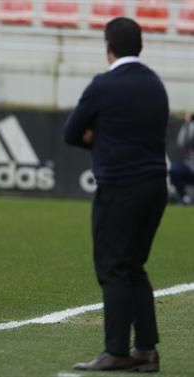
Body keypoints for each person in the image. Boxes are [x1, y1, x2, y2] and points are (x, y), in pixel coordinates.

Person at [63, 17, 168, 373]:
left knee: (113, 268)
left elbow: (72, 132)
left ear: (108, 47)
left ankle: (117, 350)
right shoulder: (155, 84)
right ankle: (147, 350)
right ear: (140, 46)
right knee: (134, 265)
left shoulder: (104, 85)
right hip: (156, 186)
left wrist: (98, 137)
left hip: (120, 187)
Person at [168, 111, 194, 205]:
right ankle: (184, 197)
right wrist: (187, 124)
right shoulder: (189, 126)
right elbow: (181, 142)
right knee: (174, 170)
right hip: (189, 165)